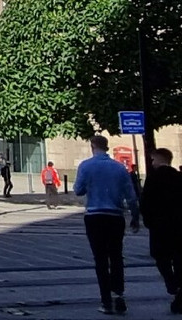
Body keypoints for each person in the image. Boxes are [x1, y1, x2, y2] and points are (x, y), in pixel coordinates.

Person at [74, 134, 140, 315]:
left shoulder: (86, 166)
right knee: (116, 256)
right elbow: (131, 197)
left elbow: (78, 190)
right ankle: (118, 294)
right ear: (107, 146)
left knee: (100, 259)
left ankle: (106, 301)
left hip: (95, 216)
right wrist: (135, 217)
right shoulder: (120, 168)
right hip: (115, 216)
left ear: (92, 146)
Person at [140, 148, 182, 313]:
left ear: (159, 159)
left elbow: (145, 202)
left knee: (161, 258)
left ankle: (171, 284)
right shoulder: (179, 177)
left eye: (153, 160)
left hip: (159, 227)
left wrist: (148, 221)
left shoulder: (153, 178)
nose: (152, 163)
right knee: (179, 259)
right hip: (179, 227)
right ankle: (178, 286)